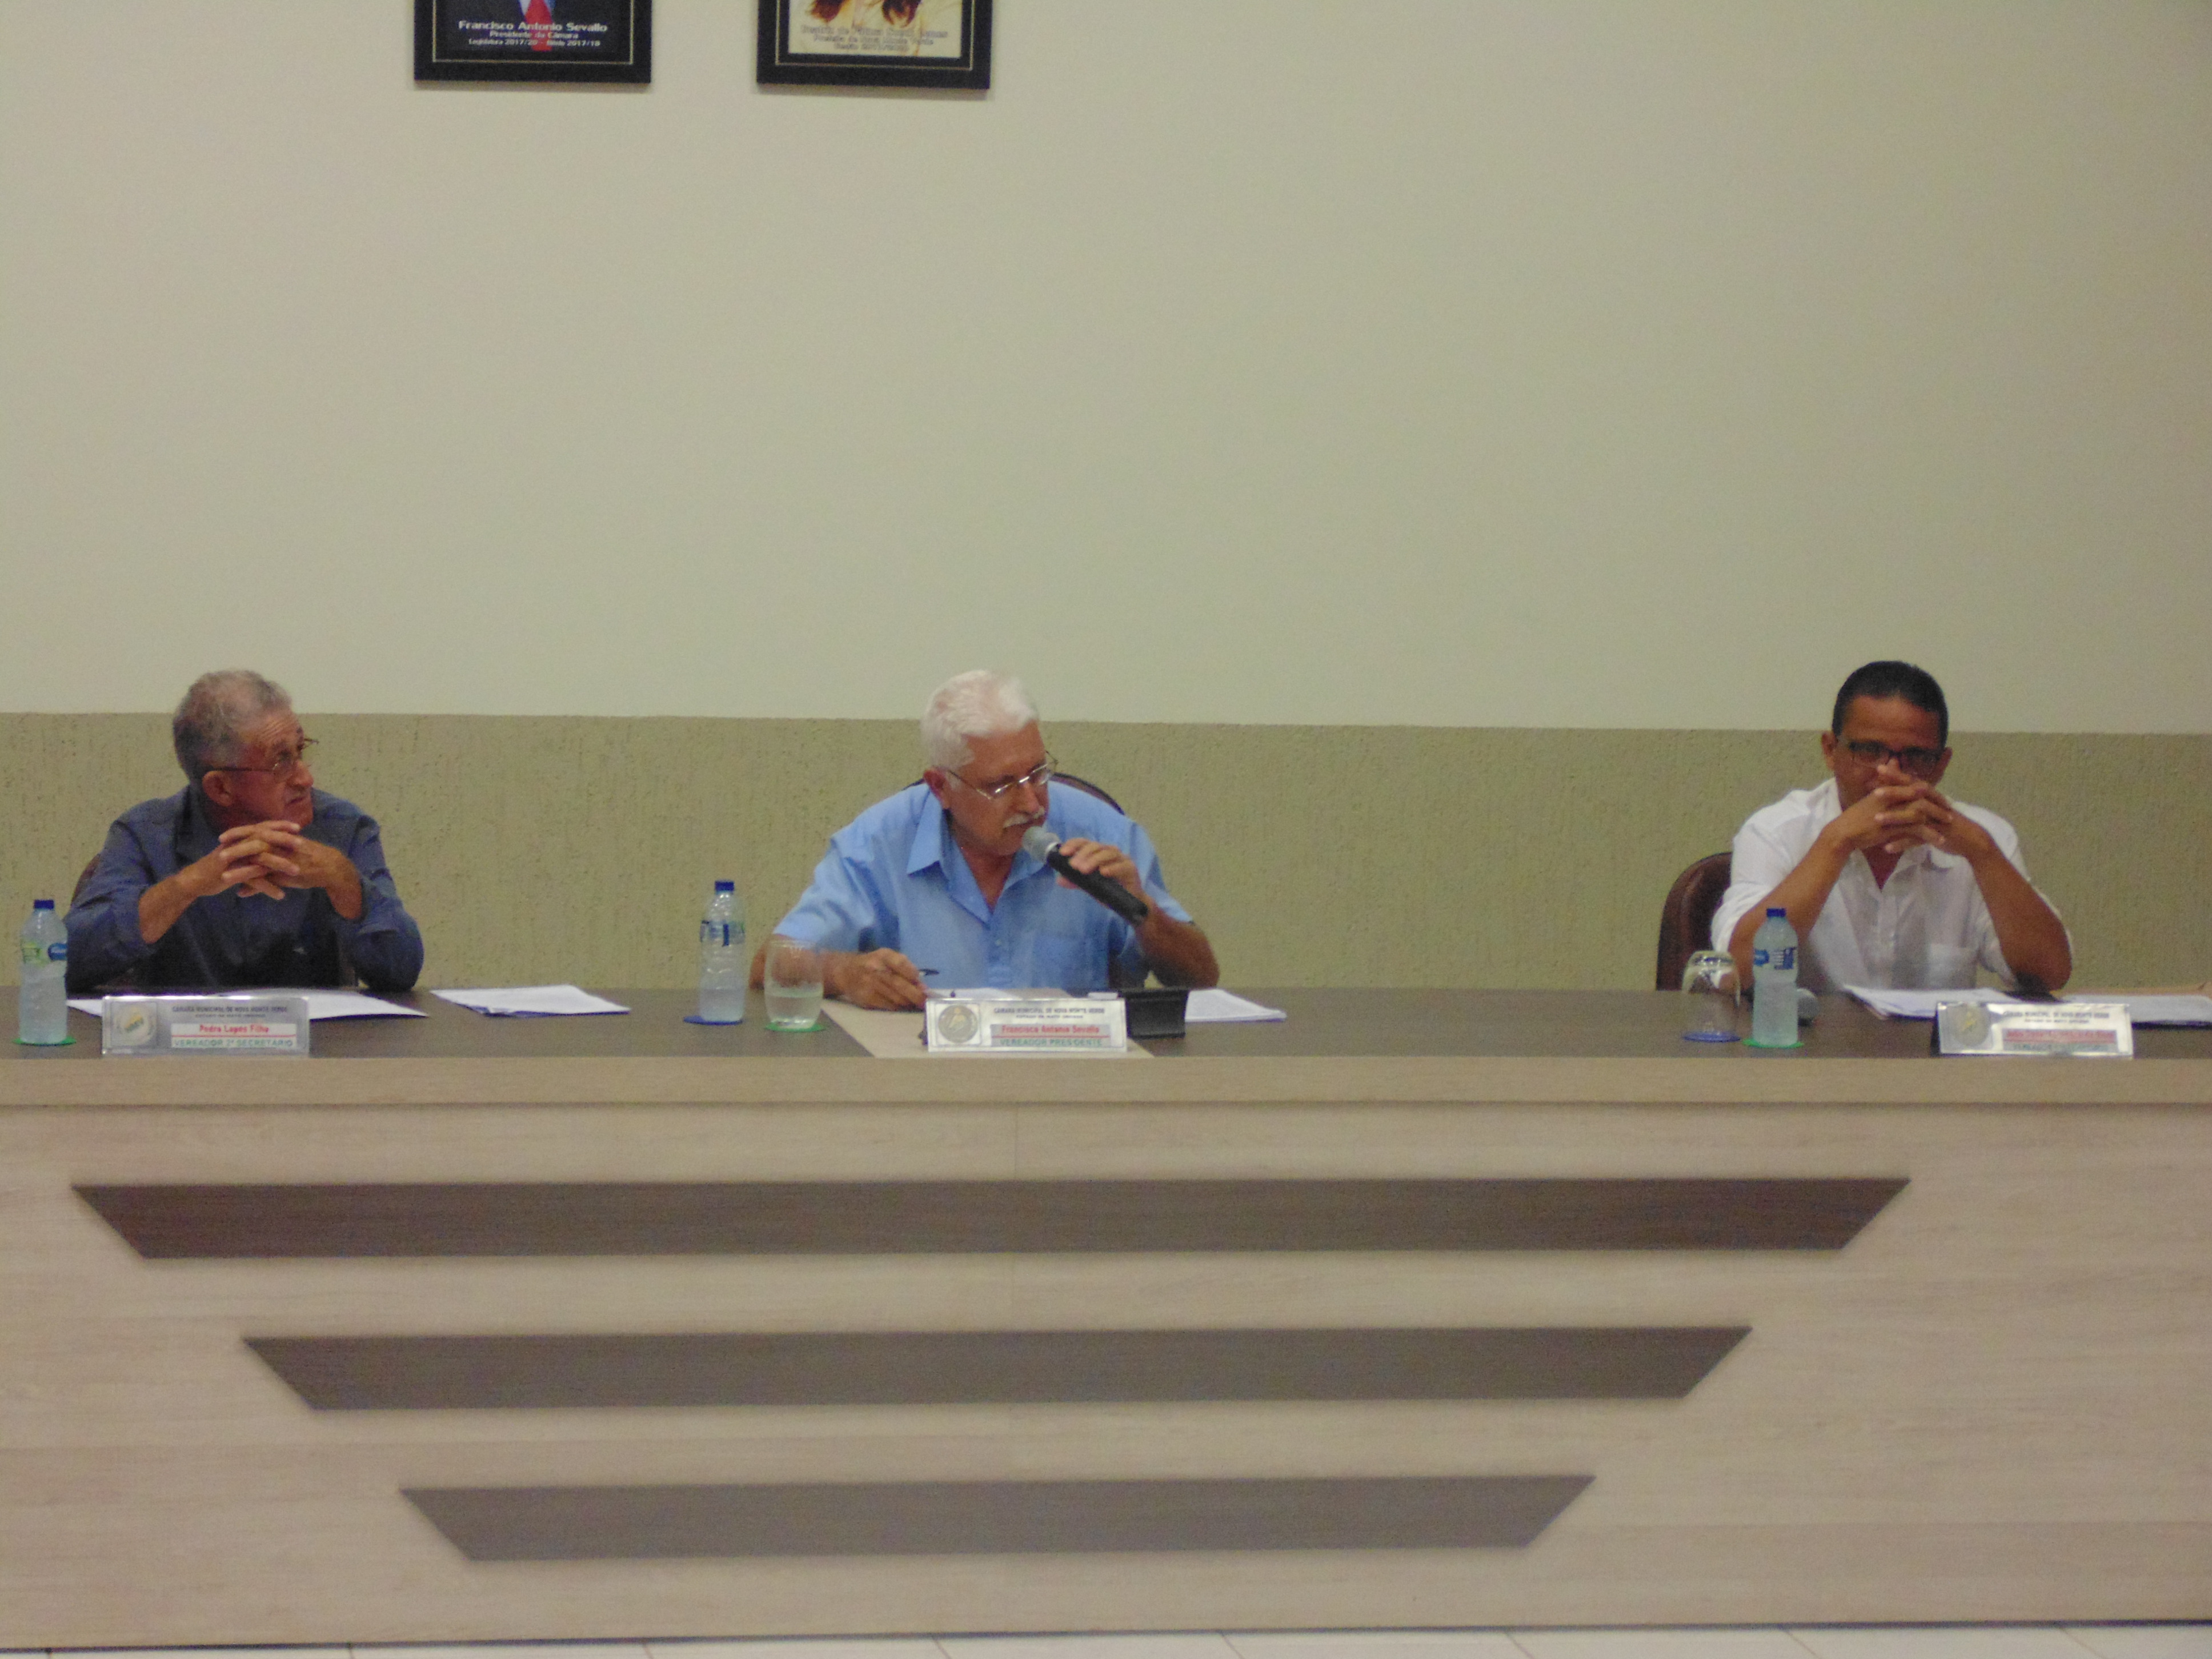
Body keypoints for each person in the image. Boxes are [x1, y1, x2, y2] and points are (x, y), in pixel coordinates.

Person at [771, 670, 1219, 1009]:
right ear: (941, 787)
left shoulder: (1103, 832)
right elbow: (775, 961)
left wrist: (1145, 915)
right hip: (925, 1086)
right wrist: (842, 973)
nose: (1031, 802)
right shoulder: (877, 844)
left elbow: (1202, 978)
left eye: (1038, 773)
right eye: (1002, 786)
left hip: (1076, 1083)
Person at [1712, 660, 2071, 995]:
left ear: (1941, 764)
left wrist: (1983, 854)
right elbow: (1736, 971)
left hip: (1933, 1044)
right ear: (1830, 750)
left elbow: (2051, 973)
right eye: (1870, 751)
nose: (1890, 773)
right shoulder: (1776, 832)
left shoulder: (1981, 839)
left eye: (1916, 757)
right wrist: (1836, 842)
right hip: (1807, 1042)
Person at [65, 671, 423, 993]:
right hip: (180, 1043)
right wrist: (185, 887)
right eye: (281, 762)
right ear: (221, 788)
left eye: (300, 751)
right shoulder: (146, 834)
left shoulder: (342, 829)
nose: (305, 778)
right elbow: (67, 962)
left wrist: (345, 883)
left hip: (316, 1042)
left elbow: (402, 973)